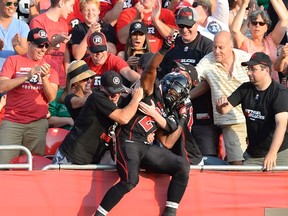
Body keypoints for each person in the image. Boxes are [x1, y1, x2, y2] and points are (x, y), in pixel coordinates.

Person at [95, 36, 190, 216]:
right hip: (128, 141)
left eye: (179, 92)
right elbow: (151, 69)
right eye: (174, 89)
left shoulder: (168, 110)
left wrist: (170, 118)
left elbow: (167, 142)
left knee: (182, 166)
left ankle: (170, 213)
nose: (174, 94)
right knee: (130, 180)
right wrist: (164, 49)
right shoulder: (150, 90)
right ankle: (99, 214)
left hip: (144, 146)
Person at [158, 6, 222, 159]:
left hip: (202, 114)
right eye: (181, 26)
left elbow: (208, 82)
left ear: (197, 24)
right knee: (174, 158)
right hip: (175, 115)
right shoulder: (171, 47)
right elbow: (161, 77)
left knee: (207, 159)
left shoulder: (207, 46)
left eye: (188, 25)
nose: (185, 29)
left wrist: (186, 97)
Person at [52, 70, 143, 165]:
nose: (115, 96)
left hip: (92, 159)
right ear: (102, 88)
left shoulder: (116, 99)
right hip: (71, 157)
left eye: (118, 92)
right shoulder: (97, 97)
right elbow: (123, 118)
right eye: (111, 93)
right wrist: (136, 98)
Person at [216, 52, 288, 170]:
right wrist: (220, 106)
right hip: (253, 154)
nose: (249, 73)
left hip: (279, 152)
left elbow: (281, 124)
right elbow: (224, 110)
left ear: (266, 70)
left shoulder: (279, 93)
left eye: (253, 69)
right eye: (248, 69)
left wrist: (272, 153)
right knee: (246, 185)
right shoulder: (245, 88)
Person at [190, 30, 251, 165]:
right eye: (214, 46)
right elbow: (195, 73)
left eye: (221, 47)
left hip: (252, 118)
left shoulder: (246, 58)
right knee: (237, 162)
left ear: (231, 46)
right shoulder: (208, 60)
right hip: (230, 119)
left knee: (254, 161)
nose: (216, 51)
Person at [0, 28, 59, 164]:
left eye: (45, 45)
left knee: (34, 166)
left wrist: (44, 79)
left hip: (37, 123)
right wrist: (27, 76)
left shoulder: (51, 65)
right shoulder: (13, 60)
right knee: (3, 166)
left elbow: (52, 97)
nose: (43, 49)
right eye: (39, 45)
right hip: (12, 122)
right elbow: (2, 86)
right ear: (29, 44)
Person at [231, 0, 288, 83]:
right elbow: (235, 30)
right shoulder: (244, 42)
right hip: (250, 88)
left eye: (261, 23)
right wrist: (244, 5)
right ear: (249, 26)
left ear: (266, 28)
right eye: (254, 23)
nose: (257, 25)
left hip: (272, 89)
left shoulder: (271, 41)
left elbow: (285, 19)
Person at [29, 0, 75, 87]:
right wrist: (56, 41)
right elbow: (38, 50)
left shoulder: (64, 24)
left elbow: (65, 52)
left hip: (61, 79)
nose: (72, 10)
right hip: (43, 77)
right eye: (71, 5)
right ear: (61, 3)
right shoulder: (38, 22)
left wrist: (67, 75)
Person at [0, 0, 30, 70]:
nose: (12, 6)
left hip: (15, 73)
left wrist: (15, 46)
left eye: (15, 4)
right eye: (8, 3)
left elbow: (26, 53)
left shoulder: (22, 26)